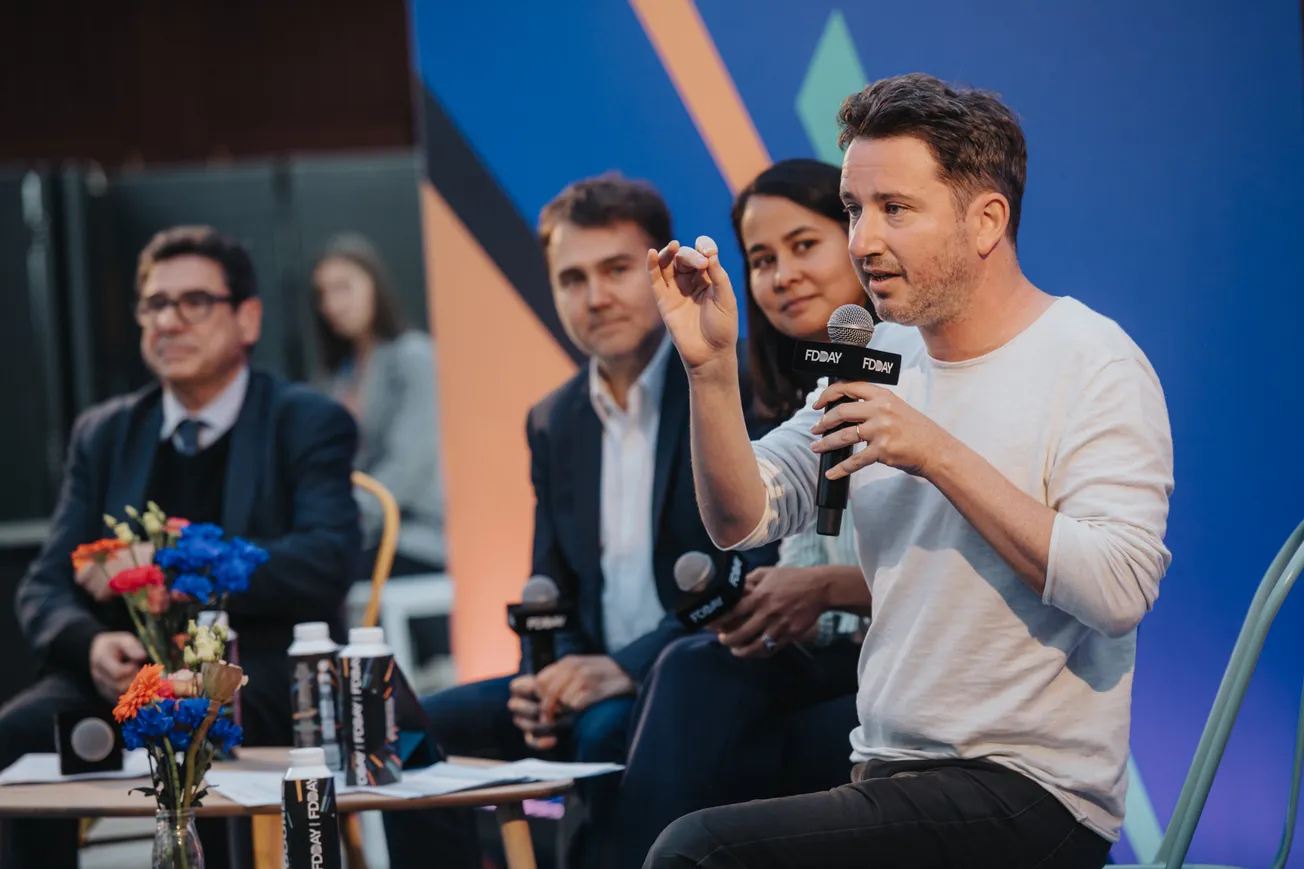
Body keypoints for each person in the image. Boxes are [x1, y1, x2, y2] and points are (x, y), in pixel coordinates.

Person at [644, 74, 1174, 869]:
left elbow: (1118, 591)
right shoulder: (876, 355)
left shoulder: (1092, 360)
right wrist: (712, 368)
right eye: (856, 210)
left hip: (1030, 790)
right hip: (888, 765)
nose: (862, 241)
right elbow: (743, 516)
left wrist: (935, 452)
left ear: (986, 219)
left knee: (698, 852)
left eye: (895, 209)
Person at [382, 174, 776, 869]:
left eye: (618, 269)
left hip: (693, 668)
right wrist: (546, 673)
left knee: (602, 731)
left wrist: (619, 668)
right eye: (572, 277)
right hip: (585, 677)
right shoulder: (555, 419)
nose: (595, 296)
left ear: (661, 269)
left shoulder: (731, 383)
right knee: (409, 729)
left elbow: (754, 567)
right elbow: (550, 583)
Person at [0, 226, 362, 868]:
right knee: (17, 734)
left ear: (247, 318)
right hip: (128, 682)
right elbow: (45, 585)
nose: (168, 321)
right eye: (154, 305)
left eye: (193, 302)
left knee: (206, 719)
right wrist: (90, 645)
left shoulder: (306, 421)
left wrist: (174, 568)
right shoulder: (106, 433)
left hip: (259, 676)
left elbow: (328, 556)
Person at [608, 159, 874, 867]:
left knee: (701, 678)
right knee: (701, 662)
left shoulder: (918, 362)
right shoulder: (792, 388)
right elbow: (753, 534)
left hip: (898, 657)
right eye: (761, 259)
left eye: (803, 244)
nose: (782, 274)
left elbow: (963, 569)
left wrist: (825, 587)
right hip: (817, 649)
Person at [312, 233, 445, 574]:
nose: (332, 304)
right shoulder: (340, 376)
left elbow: (409, 463)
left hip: (417, 535)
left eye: (344, 287)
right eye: (323, 293)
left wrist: (344, 517)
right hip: (362, 532)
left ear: (375, 286)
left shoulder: (413, 357)